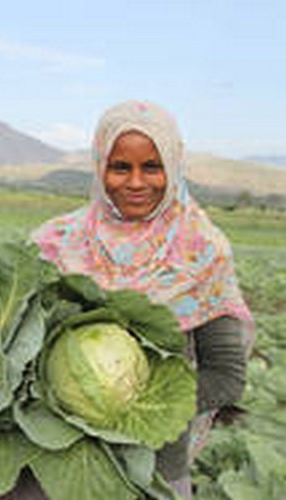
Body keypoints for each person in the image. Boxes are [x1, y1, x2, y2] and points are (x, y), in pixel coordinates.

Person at [31, 100, 253, 499]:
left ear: (173, 166)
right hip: (54, 466)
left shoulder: (202, 251)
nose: (136, 182)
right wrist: (72, 403)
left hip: (153, 470)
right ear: (100, 168)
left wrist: (135, 408)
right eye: (120, 167)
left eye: (152, 167)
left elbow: (226, 377)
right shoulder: (54, 242)